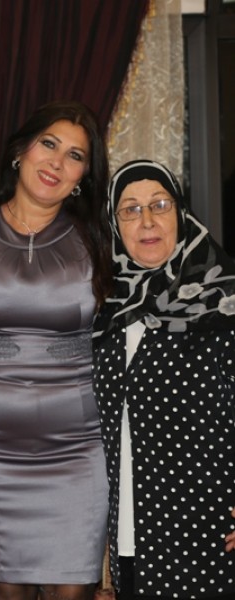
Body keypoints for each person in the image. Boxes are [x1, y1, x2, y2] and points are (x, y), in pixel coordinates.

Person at [0, 101, 113, 600]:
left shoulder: (98, 238)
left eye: (75, 155)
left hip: (77, 449)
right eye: (49, 144)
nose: (57, 162)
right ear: (20, 150)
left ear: (83, 176)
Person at [93, 159, 235, 599]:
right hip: (133, 534)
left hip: (212, 530)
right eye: (130, 210)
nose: (147, 221)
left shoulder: (224, 301)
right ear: (114, 225)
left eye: (159, 204)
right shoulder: (104, 311)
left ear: (181, 213)